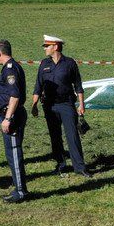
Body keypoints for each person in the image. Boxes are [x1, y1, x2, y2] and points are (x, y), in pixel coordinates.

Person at [31, 35, 91, 178]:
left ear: (56, 47)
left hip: (66, 104)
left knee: (73, 136)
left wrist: (81, 104)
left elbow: (78, 85)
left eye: (47, 46)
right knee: (55, 137)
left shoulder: (70, 63)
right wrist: (34, 104)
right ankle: (61, 165)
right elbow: (38, 86)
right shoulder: (43, 64)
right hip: (49, 106)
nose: (45, 48)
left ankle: (80, 167)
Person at [0, 39, 28, 203]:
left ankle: (20, 191)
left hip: (12, 116)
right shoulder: (11, 67)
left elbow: (14, 96)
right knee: (11, 153)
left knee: (14, 153)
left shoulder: (10, 69)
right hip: (11, 114)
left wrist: (7, 118)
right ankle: (18, 187)